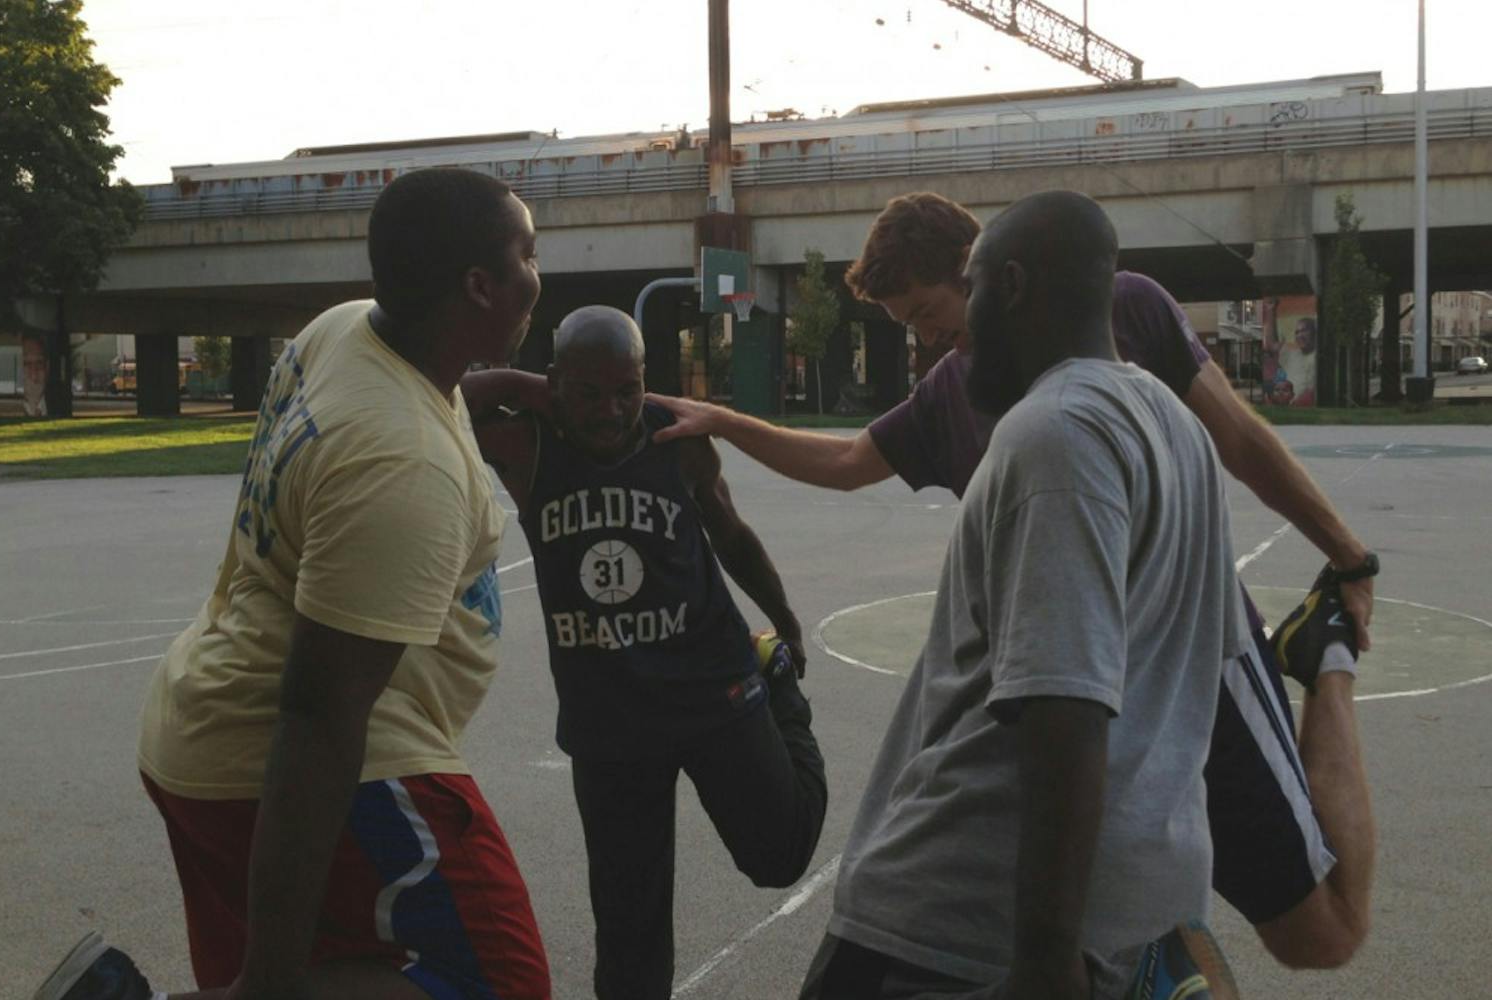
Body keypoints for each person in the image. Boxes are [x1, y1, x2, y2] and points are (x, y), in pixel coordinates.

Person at [654, 190, 1376, 970]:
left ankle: (1322, 657)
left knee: (1319, 934)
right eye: (907, 326)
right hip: (1071, 670)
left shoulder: (1119, 310)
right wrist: (721, 419)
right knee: (1114, 870)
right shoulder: (955, 390)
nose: (926, 338)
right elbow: (844, 460)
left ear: (991, 275)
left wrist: (1347, 555)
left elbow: (1238, 439)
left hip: (1181, 657)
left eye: (927, 309)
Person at [37, 167, 552, 1000]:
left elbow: (407, 404)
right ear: (480, 285)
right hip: (322, 764)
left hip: (205, 721)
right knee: (496, 984)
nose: (540, 275)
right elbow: (319, 720)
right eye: (530, 255)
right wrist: (266, 985)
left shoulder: (351, 331)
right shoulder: (401, 465)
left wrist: (504, 390)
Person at [801, 189, 1244, 999]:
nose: (946, 343)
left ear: (1007, 286)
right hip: (1124, 918)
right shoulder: (1181, 434)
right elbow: (1201, 675)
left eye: (966, 292)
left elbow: (1064, 706)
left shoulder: (1053, 432)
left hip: (956, 918)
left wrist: (1044, 960)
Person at [465, 305, 828, 1000]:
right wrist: (522, 382)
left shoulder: (678, 439)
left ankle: (776, 688)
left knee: (778, 857)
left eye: (627, 391)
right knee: (628, 937)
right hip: (610, 720)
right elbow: (431, 397)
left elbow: (732, 536)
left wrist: (785, 621)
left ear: (644, 382)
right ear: (554, 386)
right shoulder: (525, 442)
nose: (611, 411)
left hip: (714, 683)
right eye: (588, 393)